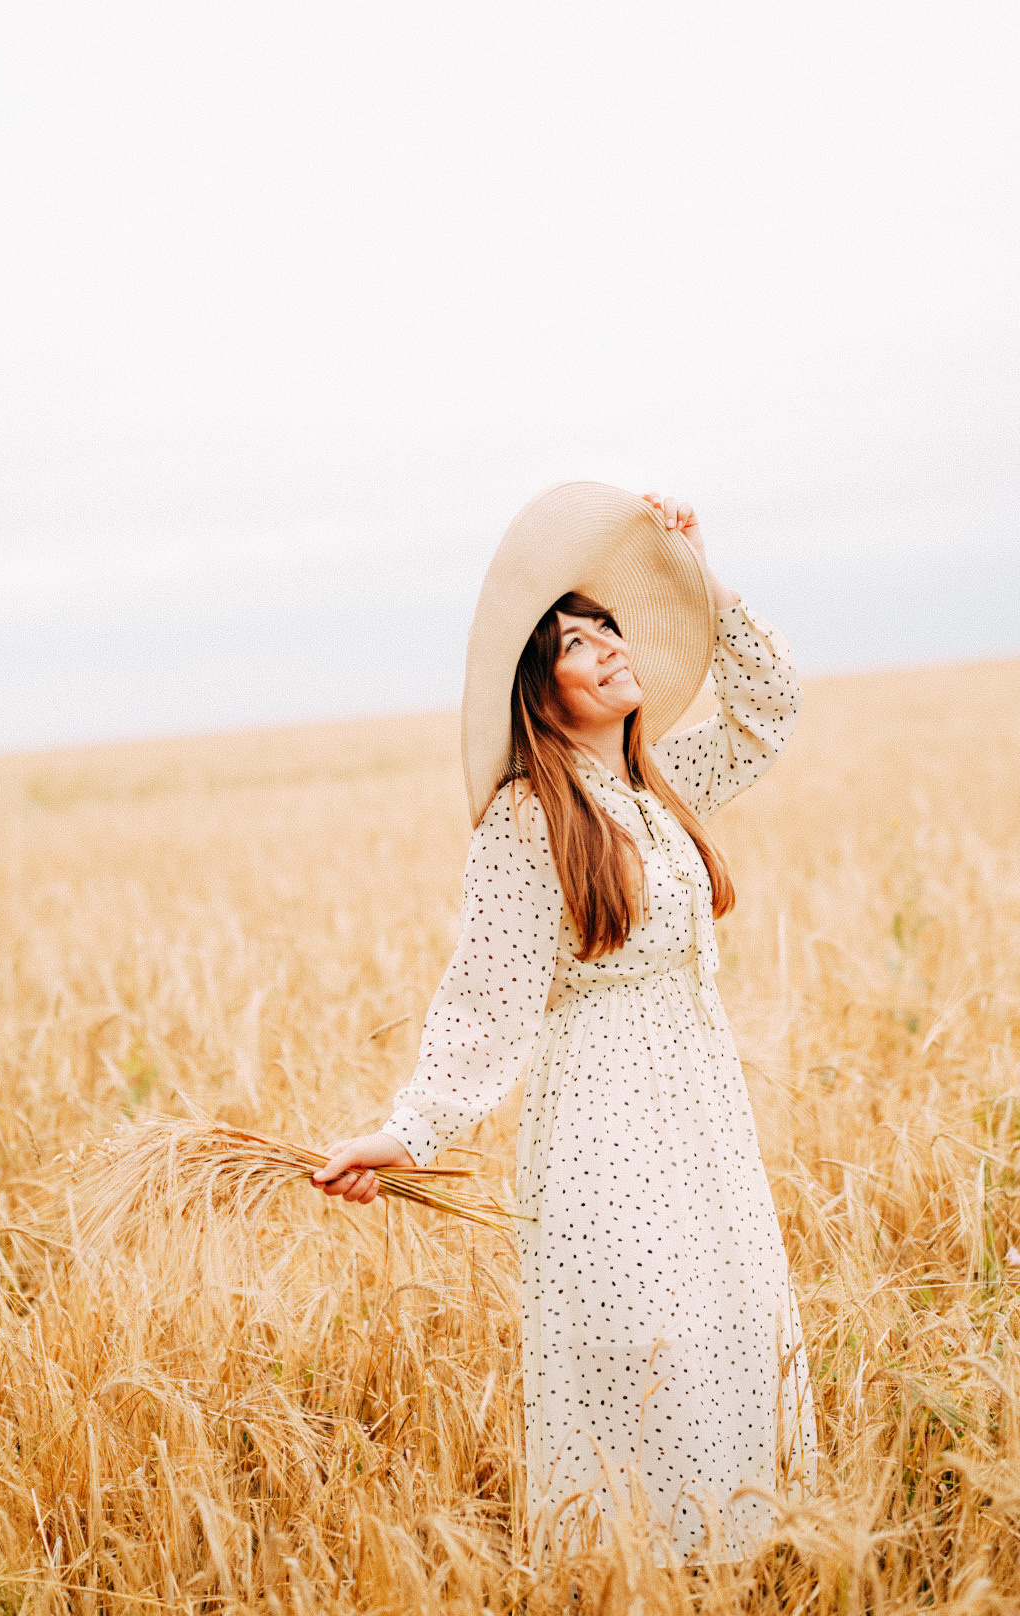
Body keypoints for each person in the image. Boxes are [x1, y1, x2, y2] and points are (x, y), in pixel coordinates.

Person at [312, 483, 817, 1562]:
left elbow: (770, 705)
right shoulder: (526, 817)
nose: (605, 650)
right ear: (541, 691)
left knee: (733, 1331)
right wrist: (407, 1132)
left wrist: (702, 573)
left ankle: (734, 1567)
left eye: (608, 629)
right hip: (604, 1125)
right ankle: (636, 1570)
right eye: (574, 643)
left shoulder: (663, 781)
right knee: (651, 1349)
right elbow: (485, 998)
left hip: (703, 1111)